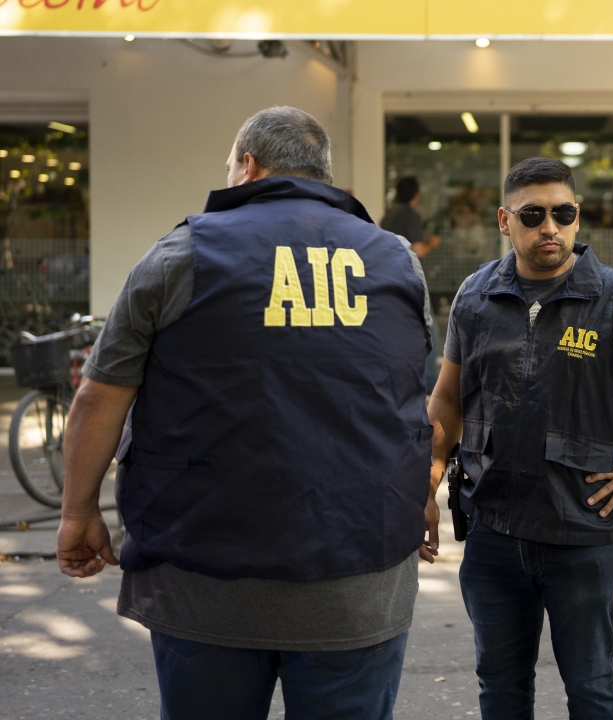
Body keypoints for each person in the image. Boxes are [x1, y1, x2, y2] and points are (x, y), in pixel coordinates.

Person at [55, 106, 439, 720]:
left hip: (204, 581)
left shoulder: (179, 254)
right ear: (323, 174)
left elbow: (99, 396)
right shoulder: (398, 261)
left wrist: (79, 512)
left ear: (248, 165)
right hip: (360, 578)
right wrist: (421, 495)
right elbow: (411, 401)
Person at [428, 157, 613, 720]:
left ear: (578, 218)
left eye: (563, 213)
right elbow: (446, 398)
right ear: (504, 220)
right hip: (492, 532)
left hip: (581, 534)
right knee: (500, 688)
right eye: (533, 214)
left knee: (591, 689)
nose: (550, 227)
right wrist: (432, 470)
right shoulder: (475, 296)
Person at [382, 175, 441, 391]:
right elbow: (417, 250)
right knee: (429, 330)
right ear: (416, 196)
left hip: (389, 278)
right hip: (411, 280)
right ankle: (429, 385)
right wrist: (432, 243)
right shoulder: (410, 215)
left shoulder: (387, 216)